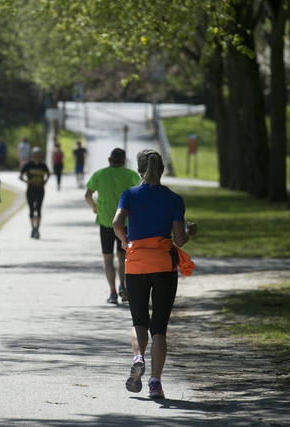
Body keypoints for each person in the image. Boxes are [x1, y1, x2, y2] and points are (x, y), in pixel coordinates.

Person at [112, 149, 197, 400]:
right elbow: (179, 240)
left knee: (139, 321)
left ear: (139, 170)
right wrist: (192, 231)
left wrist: (126, 243)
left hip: (136, 264)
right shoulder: (174, 199)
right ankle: (155, 383)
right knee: (159, 328)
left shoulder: (129, 194)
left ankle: (138, 357)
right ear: (162, 170)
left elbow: (117, 223)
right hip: (163, 266)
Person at [85, 148, 139, 305]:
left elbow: (87, 196)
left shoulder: (100, 174)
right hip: (125, 222)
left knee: (108, 258)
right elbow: (141, 191)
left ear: (109, 159)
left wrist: (94, 207)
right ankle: (123, 286)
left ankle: (113, 293)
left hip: (105, 222)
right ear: (124, 160)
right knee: (123, 256)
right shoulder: (130, 175)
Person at [19, 146, 50, 239]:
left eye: (38, 156)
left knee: (39, 209)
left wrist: (45, 181)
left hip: (40, 189)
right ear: (32, 156)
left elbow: (48, 174)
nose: (37, 157)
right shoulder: (28, 165)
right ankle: (33, 228)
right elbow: (20, 176)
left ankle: (37, 228)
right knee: (32, 209)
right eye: (35, 156)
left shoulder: (43, 165)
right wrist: (26, 181)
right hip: (30, 189)